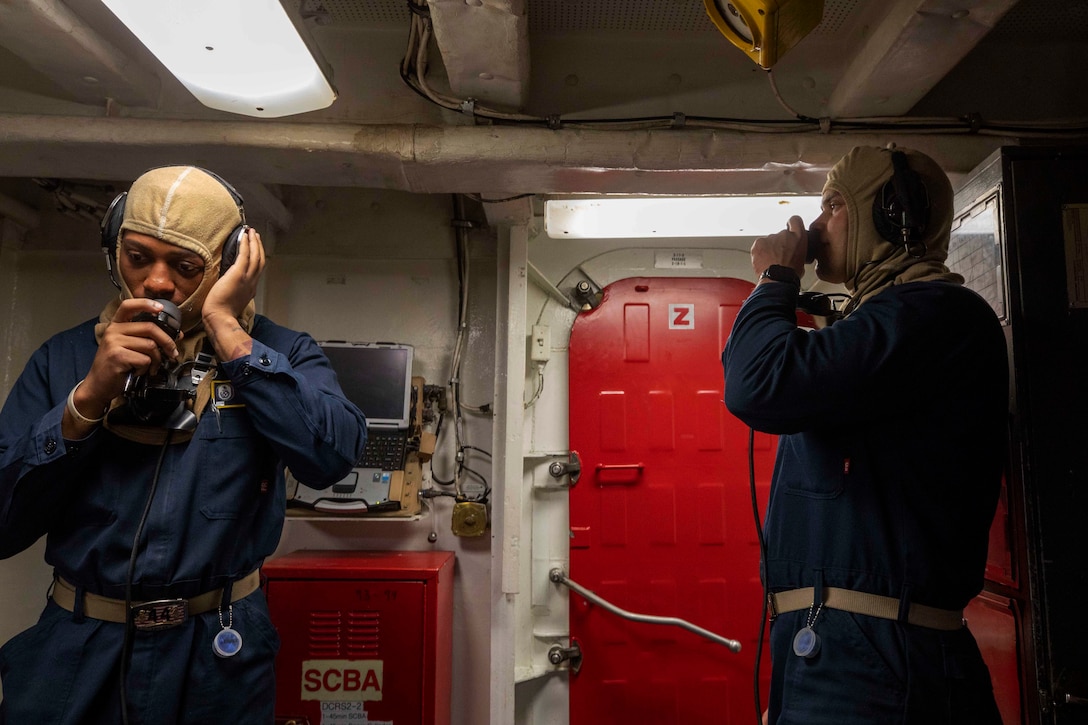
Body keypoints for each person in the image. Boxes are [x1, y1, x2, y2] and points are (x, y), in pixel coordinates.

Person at [0, 166, 367, 724]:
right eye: (138, 257)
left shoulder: (277, 352)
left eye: (186, 265)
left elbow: (330, 458)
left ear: (227, 265)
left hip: (217, 653)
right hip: (81, 646)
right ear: (113, 249)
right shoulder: (65, 359)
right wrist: (86, 401)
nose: (157, 283)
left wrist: (230, 333)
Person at [722, 145, 1008, 724]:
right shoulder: (878, 325)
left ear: (894, 214)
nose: (818, 224)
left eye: (833, 206)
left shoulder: (932, 315)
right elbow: (759, 370)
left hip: (877, 660)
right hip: (841, 649)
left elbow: (757, 383)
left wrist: (778, 275)